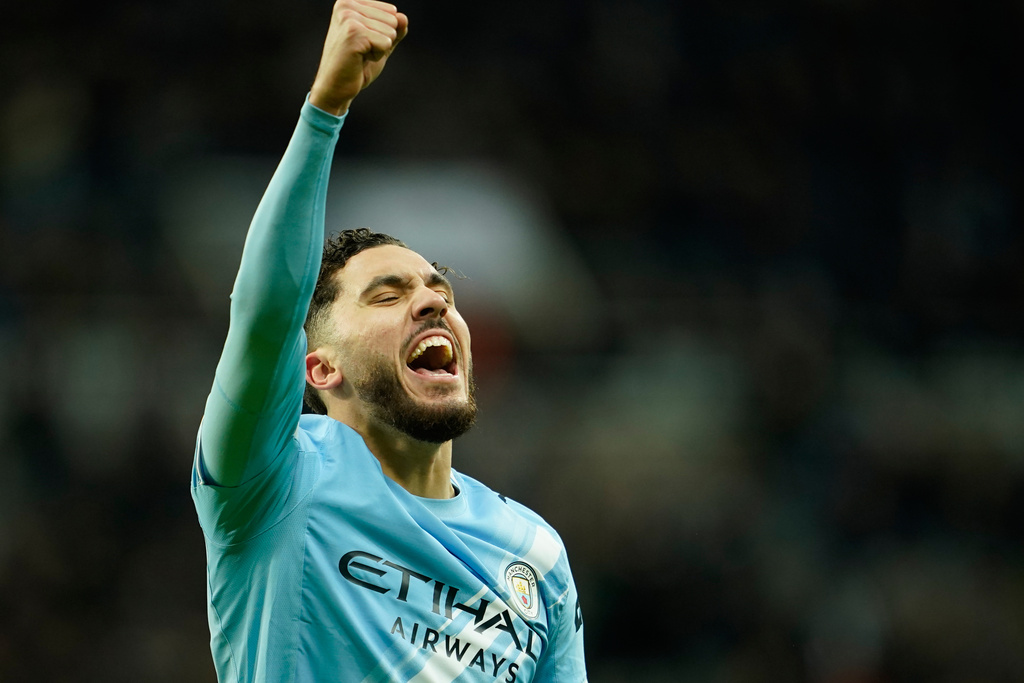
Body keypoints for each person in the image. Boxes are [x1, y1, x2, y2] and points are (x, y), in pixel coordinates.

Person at [190, 1, 588, 681]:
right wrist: (326, 109)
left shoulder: (537, 556)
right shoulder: (273, 478)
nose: (433, 300)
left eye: (440, 291)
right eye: (388, 294)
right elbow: (263, 318)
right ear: (320, 365)